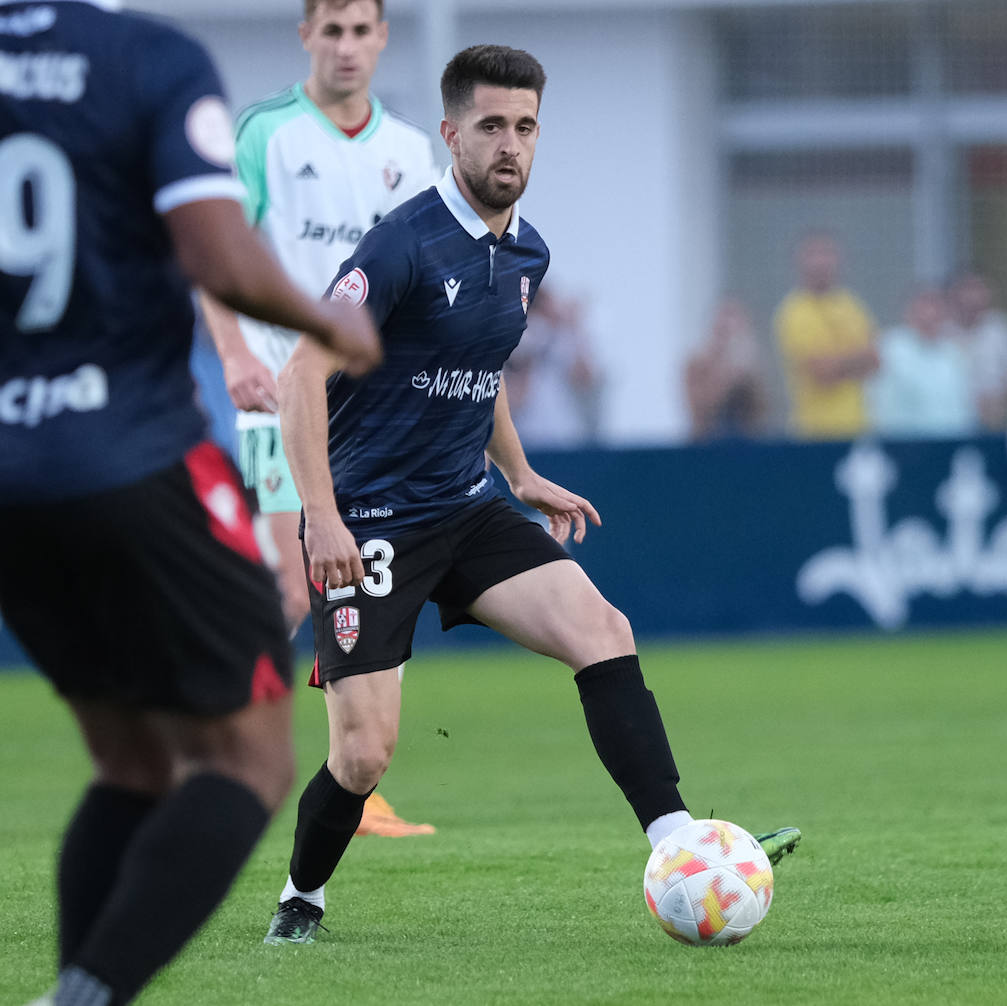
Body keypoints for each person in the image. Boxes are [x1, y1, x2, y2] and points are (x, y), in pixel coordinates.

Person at [0, 2, 380, 1004]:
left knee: (131, 763)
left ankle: (82, 984)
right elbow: (220, 258)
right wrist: (332, 324)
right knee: (252, 754)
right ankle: (82, 994)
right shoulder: (147, 58)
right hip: (137, 457)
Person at [261, 43, 801, 946]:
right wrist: (321, 517)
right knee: (362, 754)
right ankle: (301, 899)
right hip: (370, 524)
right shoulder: (401, 243)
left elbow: (481, 367)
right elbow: (298, 379)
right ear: (450, 133)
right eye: (491, 127)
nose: (510, 145)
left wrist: (517, 473)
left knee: (604, 630)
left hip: (463, 505)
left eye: (525, 127)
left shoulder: (526, 253)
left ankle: (679, 848)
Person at [197, 0, 438, 839]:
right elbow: (215, 256)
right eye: (329, 30)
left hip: (381, 414)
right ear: (306, 37)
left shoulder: (410, 153)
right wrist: (233, 355)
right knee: (298, 578)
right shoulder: (266, 134)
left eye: (359, 30)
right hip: (285, 394)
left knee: (365, 580)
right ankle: (222, 750)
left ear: (380, 39)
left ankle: (354, 778)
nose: (344, 46)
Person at [775, 231, 879, 439]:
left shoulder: (851, 304)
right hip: (813, 431)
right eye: (813, 254)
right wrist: (856, 359)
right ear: (800, 262)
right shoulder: (794, 311)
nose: (821, 262)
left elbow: (875, 361)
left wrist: (838, 362)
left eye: (827, 254)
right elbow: (821, 372)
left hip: (857, 427)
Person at [868, 287, 979, 439]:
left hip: (951, 443)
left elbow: (964, 404)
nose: (930, 317)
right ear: (909, 313)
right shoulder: (888, 347)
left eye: (936, 312)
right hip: (903, 444)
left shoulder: (953, 353)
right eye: (923, 311)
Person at [504, 286, 601, 448]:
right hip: (525, 442)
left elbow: (586, 380)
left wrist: (573, 326)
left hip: (566, 438)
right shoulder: (512, 341)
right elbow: (514, 401)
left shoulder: (563, 337)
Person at [948, 271, 1007, 432]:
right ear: (954, 296)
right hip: (953, 415)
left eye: (979, 290)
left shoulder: (1002, 329)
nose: (974, 297)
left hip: (1001, 413)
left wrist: (1004, 401)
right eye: (968, 290)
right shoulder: (942, 332)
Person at [684, 296, 769, 440]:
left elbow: (760, 414)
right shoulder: (698, 363)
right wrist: (727, 373)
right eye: (723, 327)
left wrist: (747, 373)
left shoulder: (750, 364)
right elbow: (699, 416)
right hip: (706, 444)